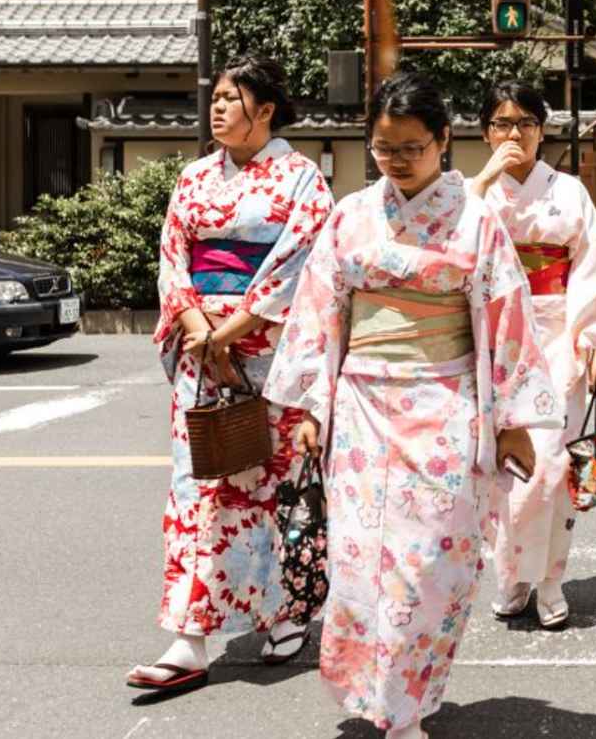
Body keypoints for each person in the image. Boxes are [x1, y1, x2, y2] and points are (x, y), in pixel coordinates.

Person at [263, 72, 561, 739]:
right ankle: (386, 703)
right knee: (360, 560)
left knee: (430, 561)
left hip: (446, 400)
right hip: (363, 403)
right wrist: (311, 408)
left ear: (445, 141)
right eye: (383, 149)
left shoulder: (477, 220)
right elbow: (318, 308)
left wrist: (514, 422)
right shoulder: (351, 215)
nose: (395, 162)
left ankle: (408, 700)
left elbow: (509, 317)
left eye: (411, 149)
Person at [125, 56, 332, 694]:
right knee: (199, 490)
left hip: (269, 358)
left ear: (265, 110)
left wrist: (234, 329)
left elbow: (302, 262)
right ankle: (189, 635)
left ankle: (288, 610)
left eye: (229, 98)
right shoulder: (193, 178)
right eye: (213, 97)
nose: (215, 108)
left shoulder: (302, 180)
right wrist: (193, 324)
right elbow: (172, 256)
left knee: (277, 489)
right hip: (202, 357)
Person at [469, 81, 596, 630]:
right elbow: (448, 242)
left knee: (553, 464)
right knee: (498, 468)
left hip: (557, 330)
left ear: (543, 130)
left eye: (525, 123)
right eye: (501, 123)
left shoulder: (568, 192)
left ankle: (551, 579)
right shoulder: (476, 192)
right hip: (491, 335)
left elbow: (592, 265)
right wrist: (488, 176)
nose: (514, 133)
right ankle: (512, 576)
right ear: (485, 132)